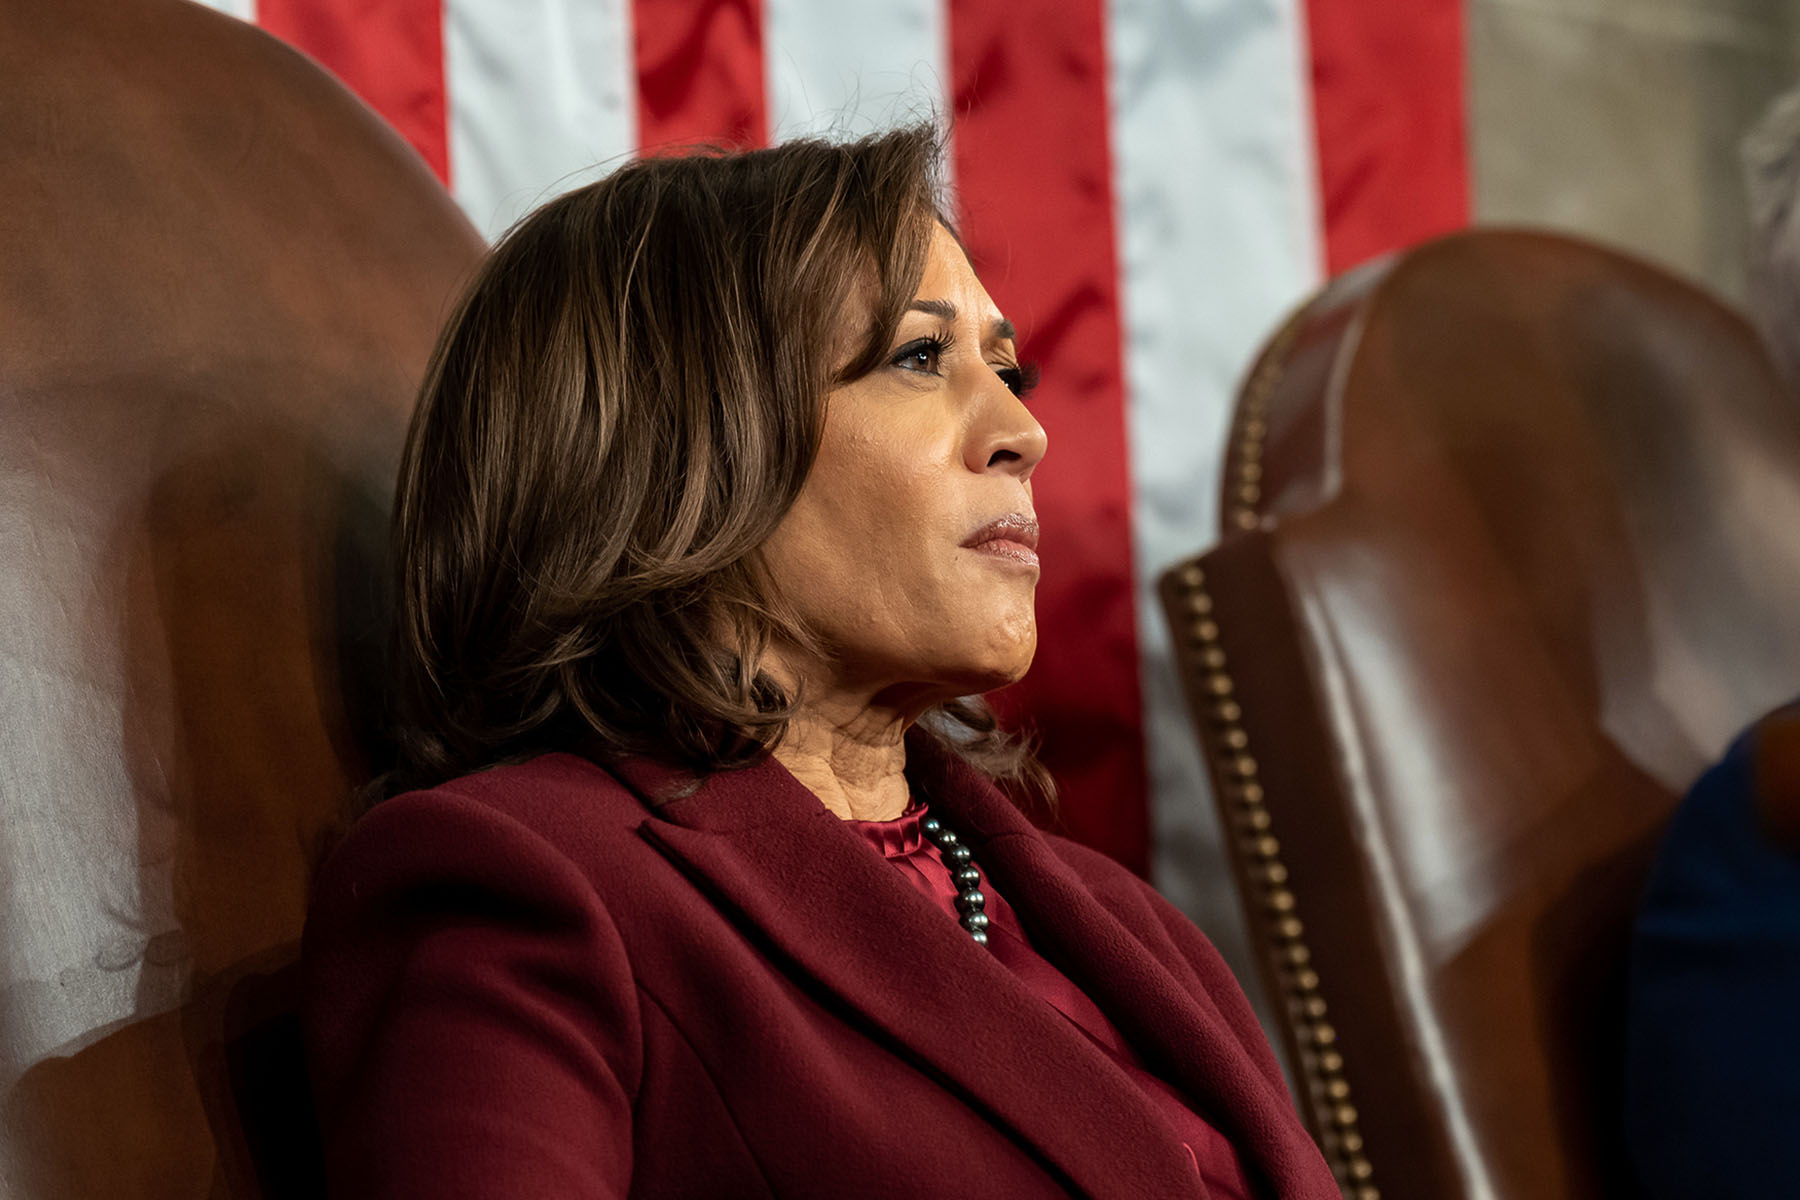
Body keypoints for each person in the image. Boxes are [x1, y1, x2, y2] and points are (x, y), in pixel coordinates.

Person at [301, 125, 1338, 1198]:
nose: (1023, 430)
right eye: (920, 358)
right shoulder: (532, 883)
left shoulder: (1128, 925)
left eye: (1007, 368)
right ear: (687, 443)